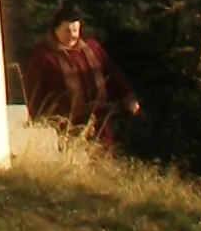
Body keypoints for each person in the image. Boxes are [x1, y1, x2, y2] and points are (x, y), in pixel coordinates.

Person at [21, 16, 142, 145]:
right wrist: (40, 122)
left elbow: (112, 73)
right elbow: (33, 90)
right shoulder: (43, 54)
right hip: (64, 127)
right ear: (55, 30)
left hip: (99, 122)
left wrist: (128, 96)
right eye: (67, 31)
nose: (72, 35)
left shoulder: (92, 48)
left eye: (75, 30)